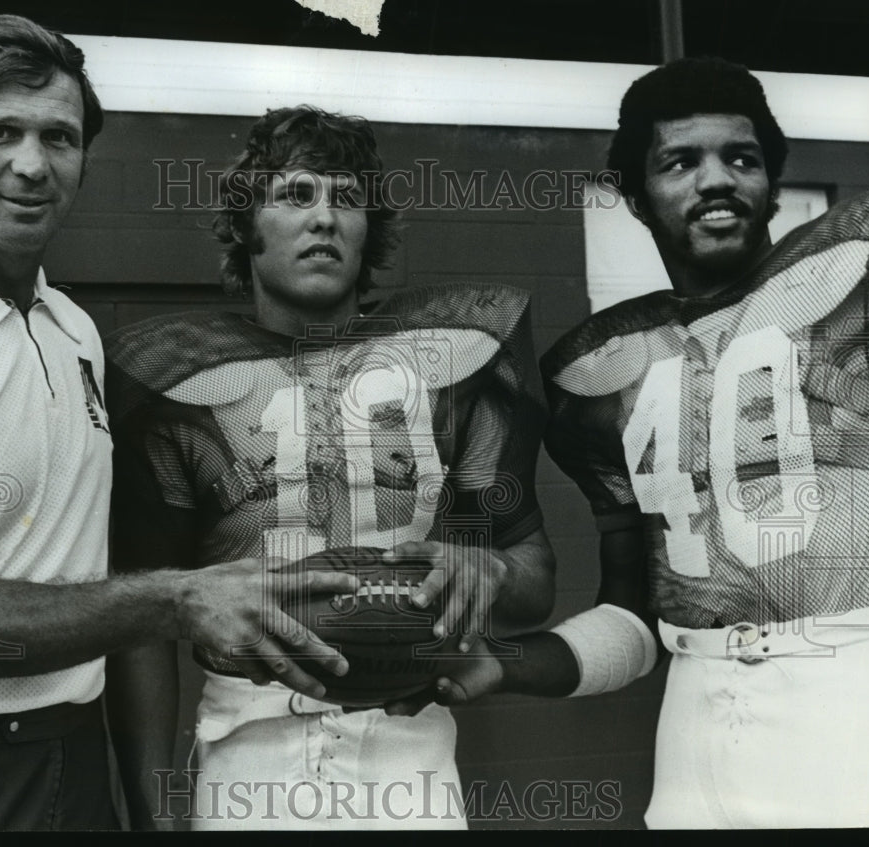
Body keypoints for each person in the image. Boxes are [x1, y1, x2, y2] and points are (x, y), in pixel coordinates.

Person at [0, 16, 355, 832]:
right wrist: (175, 600)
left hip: (74, 746)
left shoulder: (72, 329)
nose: (32, 163)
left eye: (59, 137)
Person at [421, 56, 869, 829]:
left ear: (771, 180)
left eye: (742, 158)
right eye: (680, 161)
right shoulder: (598, 369)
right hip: (695, 728)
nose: (717, 179)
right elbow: (633, 619)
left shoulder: (852, 276)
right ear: (634, 195)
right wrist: (502, 664)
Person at [103, 104, 557, 830]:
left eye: (348, 199)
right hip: (246, 750)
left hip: (412, 748)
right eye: (297, 194)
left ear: (370, 230)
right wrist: (155, 813)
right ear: (246, 226)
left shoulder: (450, 368)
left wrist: (491, 571)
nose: (325, 218)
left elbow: (534, 581)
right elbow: (145, 626)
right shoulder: (175, 386)